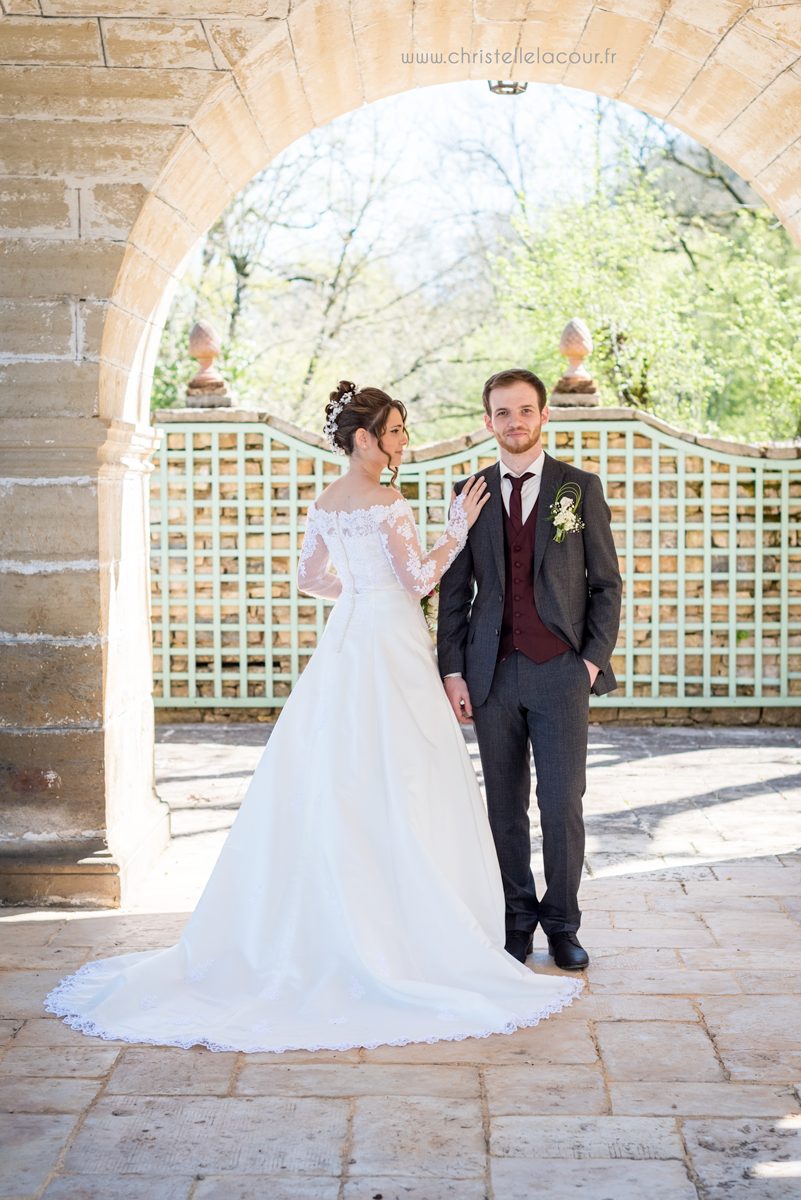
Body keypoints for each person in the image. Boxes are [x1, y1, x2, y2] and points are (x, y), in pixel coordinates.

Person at [45, 381, 582, 1053]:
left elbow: (310, 578)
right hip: (388, 640)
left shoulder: (325, 502)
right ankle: (416, 926)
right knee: (406, 772)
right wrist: (454, 531)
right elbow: (419, 578)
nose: (400, 443)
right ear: (363, 439)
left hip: (350, 633)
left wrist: (359, 592)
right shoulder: (387, 502)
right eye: (392, 433)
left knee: (338, 770)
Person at [438, 368, 622, 970]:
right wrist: (453, 671)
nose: (514, 422)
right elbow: (454, 591)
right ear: (487, 421)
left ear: (544, 417)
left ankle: (563, 924)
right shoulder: (469, 491)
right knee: (503, 804)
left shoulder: (578, 488)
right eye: (502, 413)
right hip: (490, 673)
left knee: (562, 800)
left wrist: (591, 661)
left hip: (561, 672)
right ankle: (517, 920)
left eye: (524, 411)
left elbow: (606, 585)